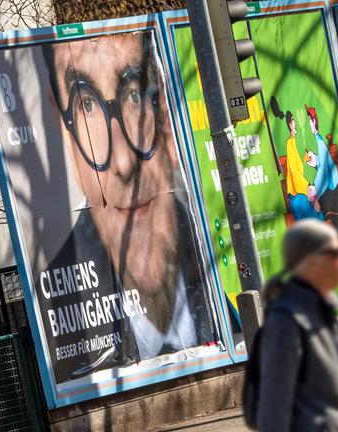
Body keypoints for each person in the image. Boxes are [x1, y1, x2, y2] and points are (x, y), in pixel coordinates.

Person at [41, 32, 216, 382]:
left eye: (134, 94)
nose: (123, 161)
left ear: (165, 111)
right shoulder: (53, 315)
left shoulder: (225, 272)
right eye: (86, 105)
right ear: (62, 129)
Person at [253, 219, 338, 432]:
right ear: (312, 262)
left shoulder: (319, 311)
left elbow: (317, 391)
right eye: (335, 253)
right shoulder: (287, 321)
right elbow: (273, 407)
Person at [304, 105, 338, 239]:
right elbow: (323, 163)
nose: (309, 123)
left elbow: (324, 168)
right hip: (332, 188)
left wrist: (314, 187)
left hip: (331, 189)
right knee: (335, 221)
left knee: (335, 220)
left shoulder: (320, 140)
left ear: (314, 121)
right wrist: (315, 160)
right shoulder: (319, 140)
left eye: (310, 120)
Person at [284, 111, 322, 221]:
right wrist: (308, 187)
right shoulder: (290, 143)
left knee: (320, 215)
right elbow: (294, 171)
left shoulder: (294, 142)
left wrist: (305, 159)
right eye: (292, 120)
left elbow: (297, 163)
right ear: (289, 125)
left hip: (302, 192)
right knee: (318, 216)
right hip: (297, 195)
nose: (294, 123)